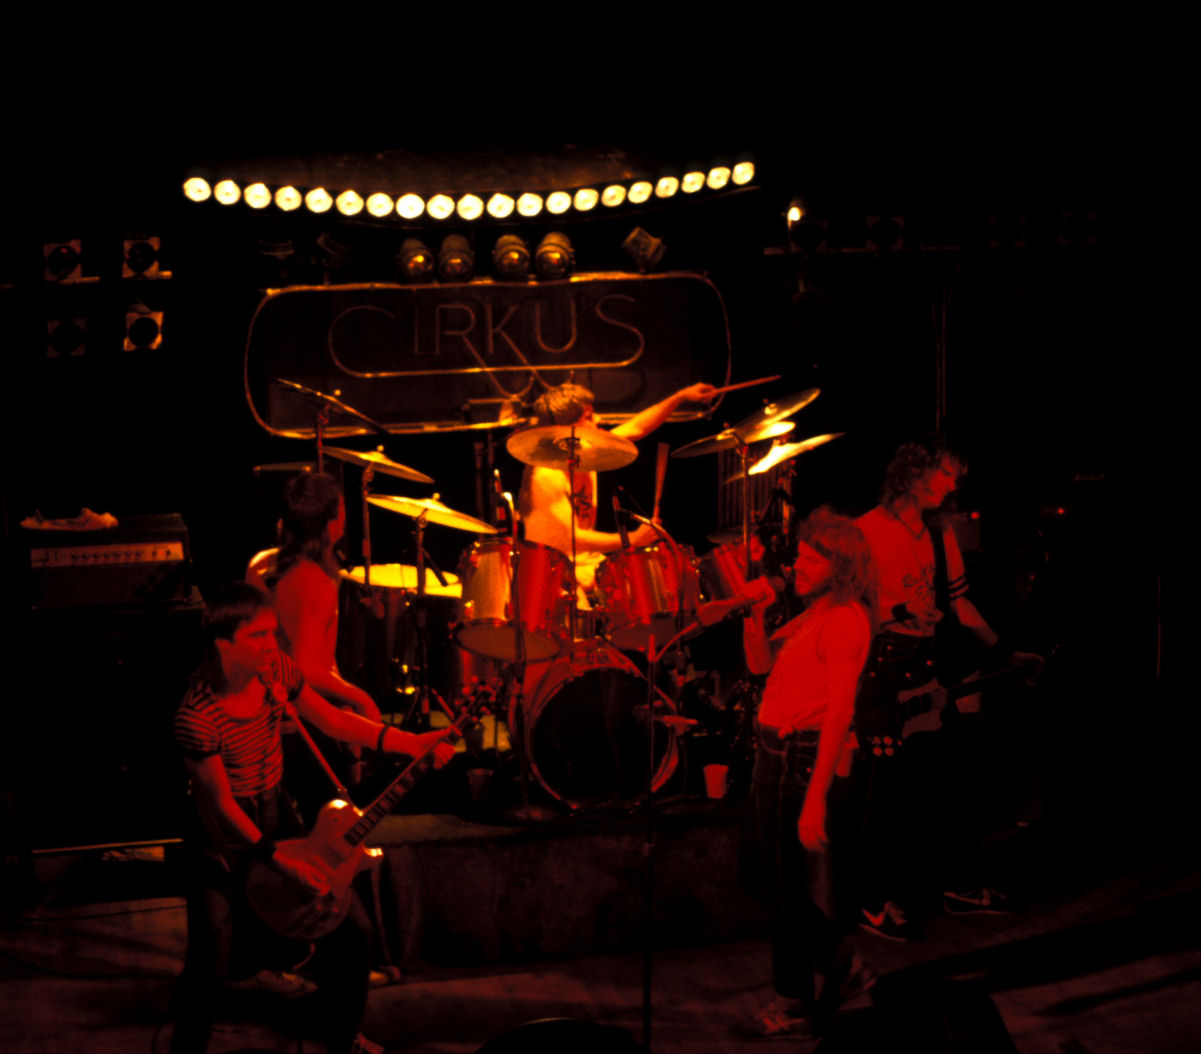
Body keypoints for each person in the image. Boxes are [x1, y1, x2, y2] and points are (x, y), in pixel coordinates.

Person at [171, 582, 452, 1054]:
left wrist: (411, 743)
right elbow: (221, 806)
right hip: (220, 836)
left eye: (273, 632)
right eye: (258, 635)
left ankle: (343, 1038)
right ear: (223, 643)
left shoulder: (275, 670)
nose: (272, 644)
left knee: (354, 932)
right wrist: (282, 864)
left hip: (275, 810)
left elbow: (332, 720)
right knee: (210, 958)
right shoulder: (196, 714)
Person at [853, 435, 1042, 941]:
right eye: (945, 473)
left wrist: (1005, 652)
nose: (953, 484)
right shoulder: (864, 532)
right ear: (913, 471)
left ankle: (957, 886)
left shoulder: (939, 533)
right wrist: (901, 612)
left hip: (930, 669)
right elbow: (846, 612)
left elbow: (959, 604)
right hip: (880, 673)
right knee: (886, 795)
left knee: (948, 786)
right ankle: (873, 899)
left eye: (956, 476)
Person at [732, 508, 875, 1040]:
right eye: (799, 558)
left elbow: (840, 713)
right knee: (762, 877)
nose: (797, 567)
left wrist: (815, 800)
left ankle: (792, 1001)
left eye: (810, 559)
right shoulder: (815, 614)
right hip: (775, 756)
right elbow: (759, 665)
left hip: (802, 758)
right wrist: (752, 613)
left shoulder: (845, 619)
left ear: (840, 566)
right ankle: (843, 965)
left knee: (785, 891)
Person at [517, 380, 717, 591]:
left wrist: (681, 396)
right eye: (588, 417)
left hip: (585, 567)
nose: (598, 420)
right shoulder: (546, 474)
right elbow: (570, 538)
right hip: (551, 576)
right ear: (565, 430)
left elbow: (637, 427)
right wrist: (631, 539)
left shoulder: (587, 452)